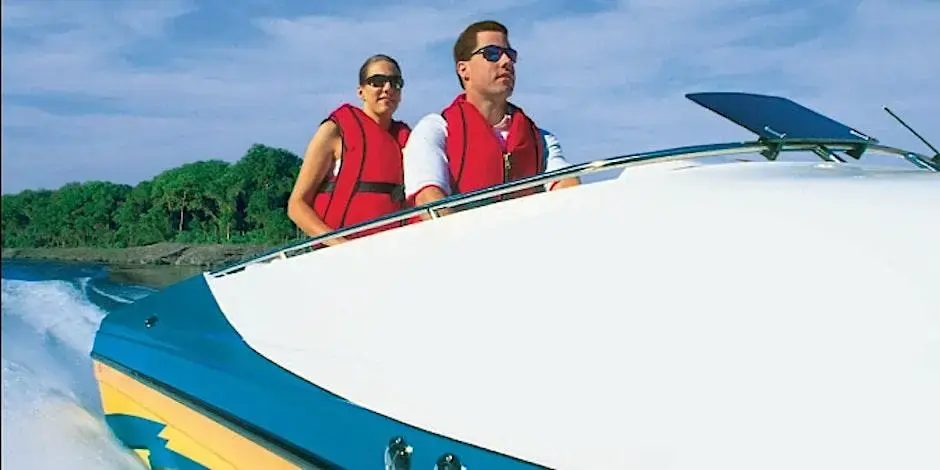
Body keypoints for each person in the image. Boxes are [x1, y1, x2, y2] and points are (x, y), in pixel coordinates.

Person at [402, 20, 579, 217]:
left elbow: (567, 188)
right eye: (492, 54)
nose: (506, 62)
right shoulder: (434, 130)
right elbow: (429, 200)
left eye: (510, 55)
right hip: (462, 236)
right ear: (463, 69)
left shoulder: (541, 140)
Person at [287, 54, 411, 245]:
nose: (388, 88)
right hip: (339, 254)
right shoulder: (334, 131)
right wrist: (343, 247)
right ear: (361, 91)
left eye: (395, 83)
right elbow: (297, 205)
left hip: (391, 251)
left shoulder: (408, 140)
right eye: (377, 82)